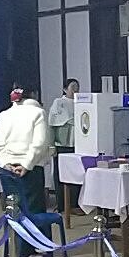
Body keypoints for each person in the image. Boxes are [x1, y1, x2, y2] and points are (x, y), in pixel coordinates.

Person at [0, 84, 53, 257]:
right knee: (32, 209)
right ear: (33, 94)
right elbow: (40, 143)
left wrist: (6, 163)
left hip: (8, 170)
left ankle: (17, 249)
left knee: (14, 208)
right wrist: (26, 164)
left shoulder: (4, 114)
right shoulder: (38, 113)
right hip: (31, 169)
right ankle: (27, 249)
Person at [48, 78, 80, 213]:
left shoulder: (81, 102)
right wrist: (51, 145)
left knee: (76, 173)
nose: (76, 90)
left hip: (77, 143)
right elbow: (52, 125)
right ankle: (61, 204)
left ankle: (75, 204)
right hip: (62, 142)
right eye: (73, 87)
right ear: (65, 89)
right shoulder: (59, 103)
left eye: (77, 87)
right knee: (61, 174)